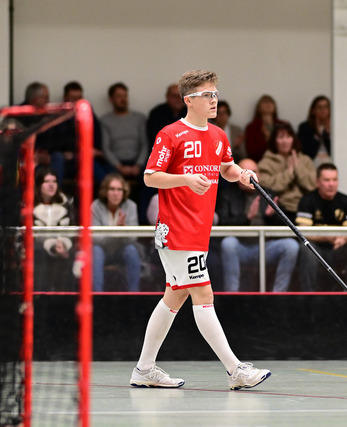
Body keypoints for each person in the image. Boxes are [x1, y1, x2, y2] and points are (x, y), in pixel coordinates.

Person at [131, 70, 270, 390]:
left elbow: (226, 168)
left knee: (174, 297)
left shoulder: (219, 135)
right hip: (176, 230)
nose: (214, 100)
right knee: (203, 294)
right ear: (188, 100)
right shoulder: (170, 134)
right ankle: (235, 370)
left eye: (215, 94)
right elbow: (150, 176)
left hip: (199, 229)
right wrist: (185, 179)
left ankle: (144, 369)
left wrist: (242, 174)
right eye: (207, 95)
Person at [216, 158, 300, 292]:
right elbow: (221, 223)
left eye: (254, 171)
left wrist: (271, 216)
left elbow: (287, 224)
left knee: (291, 246)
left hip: (265, 247)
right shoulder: (227, 194)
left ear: (259, 174)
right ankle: (232, 295)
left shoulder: (268, 193)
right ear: (237, 174)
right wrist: (246, 218)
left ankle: (279, 295)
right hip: (241, 246)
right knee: (228, 244)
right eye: (245, 171)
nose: (250, 175)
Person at [295, 163, 347, 291]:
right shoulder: (307, 200)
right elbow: (303, 231)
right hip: (316, 249)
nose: (331, 184)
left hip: (338, 248)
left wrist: (343, 239)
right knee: (306, 248)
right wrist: (328, 237)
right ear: (317, 182)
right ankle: (308, 295)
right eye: (326, 180)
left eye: (334, 180)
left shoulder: (346, 201)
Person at [51, 81, 110, 188]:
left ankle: (111, 192)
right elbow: (56, 141)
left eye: (79, 98)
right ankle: (54, 193)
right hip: (66, 160)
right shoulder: (57, 116)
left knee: (95, 165)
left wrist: (93, 151)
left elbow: (97, 140)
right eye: (72, 98)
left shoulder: (89, 113)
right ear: (65, 98)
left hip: (85, 158)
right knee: (58, 158)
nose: (76, 102)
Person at [258, 122, 316, 224]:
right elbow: (267, 186)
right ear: (274, 140)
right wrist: (289, 172)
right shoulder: (266, 163)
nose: (285, 141)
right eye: (281, 137)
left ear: (293, 139)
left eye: (288, 137)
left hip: (305, 209)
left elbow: (313, 184)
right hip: (279, 211)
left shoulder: (305, 160)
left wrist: (297, 167)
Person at [91, 173, 141, 292]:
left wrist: (124, 228)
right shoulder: (95, 207)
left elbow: (134, 238)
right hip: (103, 251)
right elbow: (95, 238)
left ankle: (135, 295)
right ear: (105, 191)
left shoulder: (131, 206)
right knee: (96, 251)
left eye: (119, 190)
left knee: (131, 250)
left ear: (124, 192)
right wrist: (116, 230)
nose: (116, 193)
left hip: (121, 251)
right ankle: (97, 296)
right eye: (112, 189)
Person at [32, 167, 76, 292]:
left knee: (73, 253)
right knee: (38, 251)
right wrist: (51, 245)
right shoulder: (29, 205)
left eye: (54, 181)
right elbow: (29, 234)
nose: (51, 185)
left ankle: (67, 297)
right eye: (47, 181)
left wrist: (64, 244)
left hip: (62, 245)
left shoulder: (67, 203)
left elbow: (73, 230)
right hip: (38, 247)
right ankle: (39, 295)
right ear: (39, 185)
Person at [100, 82, 149, 181]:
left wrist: (138, 165)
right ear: (111, 99)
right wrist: (119, 167)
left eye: (125, 96)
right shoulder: (105, 121)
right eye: (119, 96)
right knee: (109, 178)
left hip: (137, 162)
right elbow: (106, 147)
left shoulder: (140, 118)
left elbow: (145, 144)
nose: (123, 99)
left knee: (150, 177)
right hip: (115, 163)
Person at [244, 94, 287, 163]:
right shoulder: (252, 127)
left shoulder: (282, 125)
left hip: (282, 160)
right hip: (261, 162)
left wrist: (268, 137)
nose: (268, 104)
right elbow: (252, 152)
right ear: (259, 108)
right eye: (265, 101)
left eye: (270, 101)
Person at [297, 95, 331, 167]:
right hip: (311, 161)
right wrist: (317, 135)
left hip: (331, 159)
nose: (323, 110)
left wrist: (328, 133)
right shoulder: (305, 127)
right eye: (319, 107)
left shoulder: (336, 127)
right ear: (313, 110)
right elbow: (306, 152)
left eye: (325, 107)